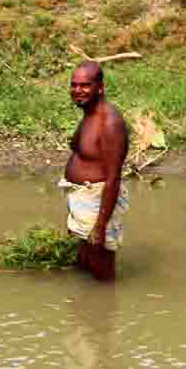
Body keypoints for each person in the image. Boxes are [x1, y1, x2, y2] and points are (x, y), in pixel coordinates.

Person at [63, 60, 130, 281]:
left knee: (102, 271)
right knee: (84, 263)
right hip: (83, 200)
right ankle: (87, 311)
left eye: (85, 85)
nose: (77, 91)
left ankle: (105, 311)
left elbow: (113, 178)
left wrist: (100, 227)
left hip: (99, 203)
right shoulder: (89, 114)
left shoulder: (110, 123)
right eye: (74, 85)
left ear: (99, 88)